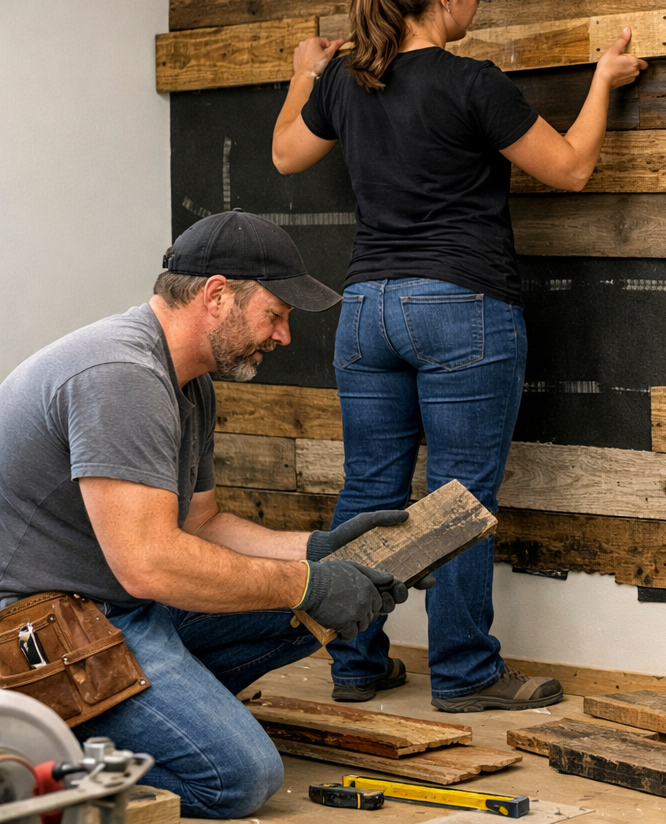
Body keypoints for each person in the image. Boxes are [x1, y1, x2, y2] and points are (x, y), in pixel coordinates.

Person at [269, 0, 647, 712]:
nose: (478, 3)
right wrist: (605, 80)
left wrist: (305, 75)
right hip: (460, 308)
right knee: (459, 499)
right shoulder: (473, 83)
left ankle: (356, 665)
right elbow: (573, 169)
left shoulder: (346, 81)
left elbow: (285, 156)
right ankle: (467, 675)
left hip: (365, 309)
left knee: (369, 489)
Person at [0, 211, 421, 818]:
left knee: (301, 612)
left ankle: (154, 711)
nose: (282, 337)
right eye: (274, 315)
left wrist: (317, 552)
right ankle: (54, 737)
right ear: (217, 295)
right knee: (240, 778)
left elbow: (199, 525)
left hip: (111, 605)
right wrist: (306, 582)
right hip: (38, 632)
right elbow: (150, 565)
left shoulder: (188, 381)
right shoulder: (121, 376)